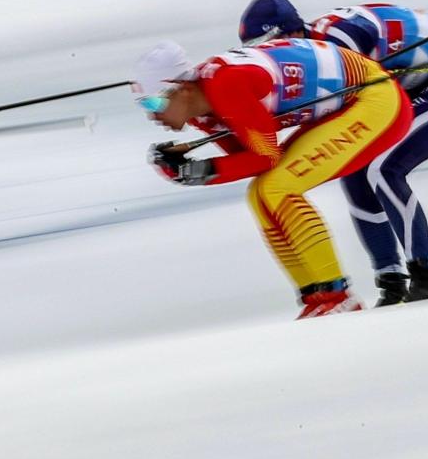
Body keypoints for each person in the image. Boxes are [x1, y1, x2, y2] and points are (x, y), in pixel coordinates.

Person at [133, 39, 412, 317]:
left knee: (279, 187)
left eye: (155, 101)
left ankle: (338, 295)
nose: (151, 115)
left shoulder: (224, 86)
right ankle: (316, 296)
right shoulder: (202, 111)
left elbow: (266, 156)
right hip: (353, 100)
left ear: (183, 89)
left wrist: (198, 172)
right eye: (144, 105)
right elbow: (249, 158)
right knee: (259, 193)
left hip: (375, 99)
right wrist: (192, 170)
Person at [239, 0, 428, 306]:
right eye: (254, 51)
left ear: (293, 32)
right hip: (406, 85)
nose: (264, 55)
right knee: (354, 171)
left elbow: (353, 110)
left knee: (384, 168)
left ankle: (426, 277)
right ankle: (391, 283)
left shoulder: (336, 45)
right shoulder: (303, 56)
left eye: (267, 44)